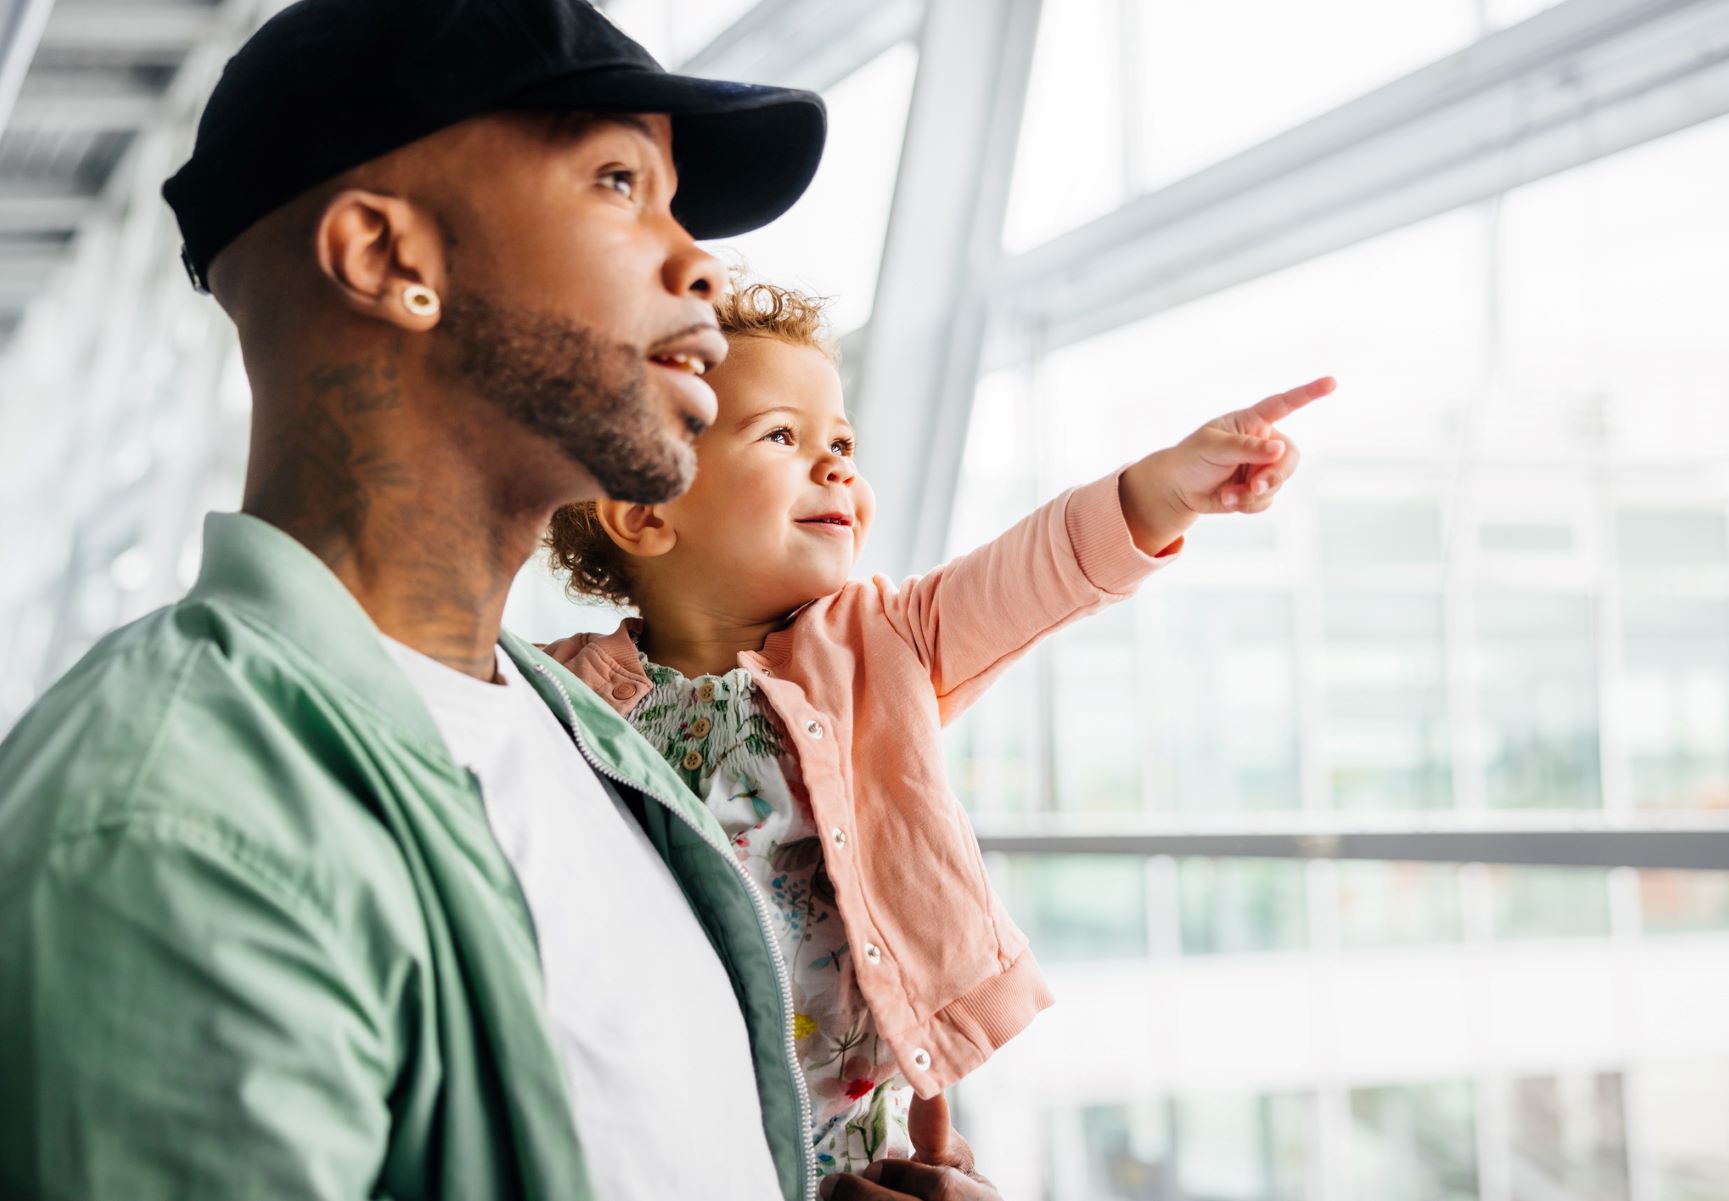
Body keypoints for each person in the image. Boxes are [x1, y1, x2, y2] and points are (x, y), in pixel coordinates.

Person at [0, 1, 987, 1198]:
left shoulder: (582, 740)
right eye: (621, 181)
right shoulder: (176, 830)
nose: (702, 266)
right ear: (387, 259)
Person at [539, 280, 1335, 1197]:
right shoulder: (558, 691)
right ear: (646, 510)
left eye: (841, 442)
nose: (837, 465)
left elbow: (1039, 571)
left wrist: (1163, 490)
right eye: (781, 438)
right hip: (649, 1122)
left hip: (838, 1131)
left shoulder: (884, 640)